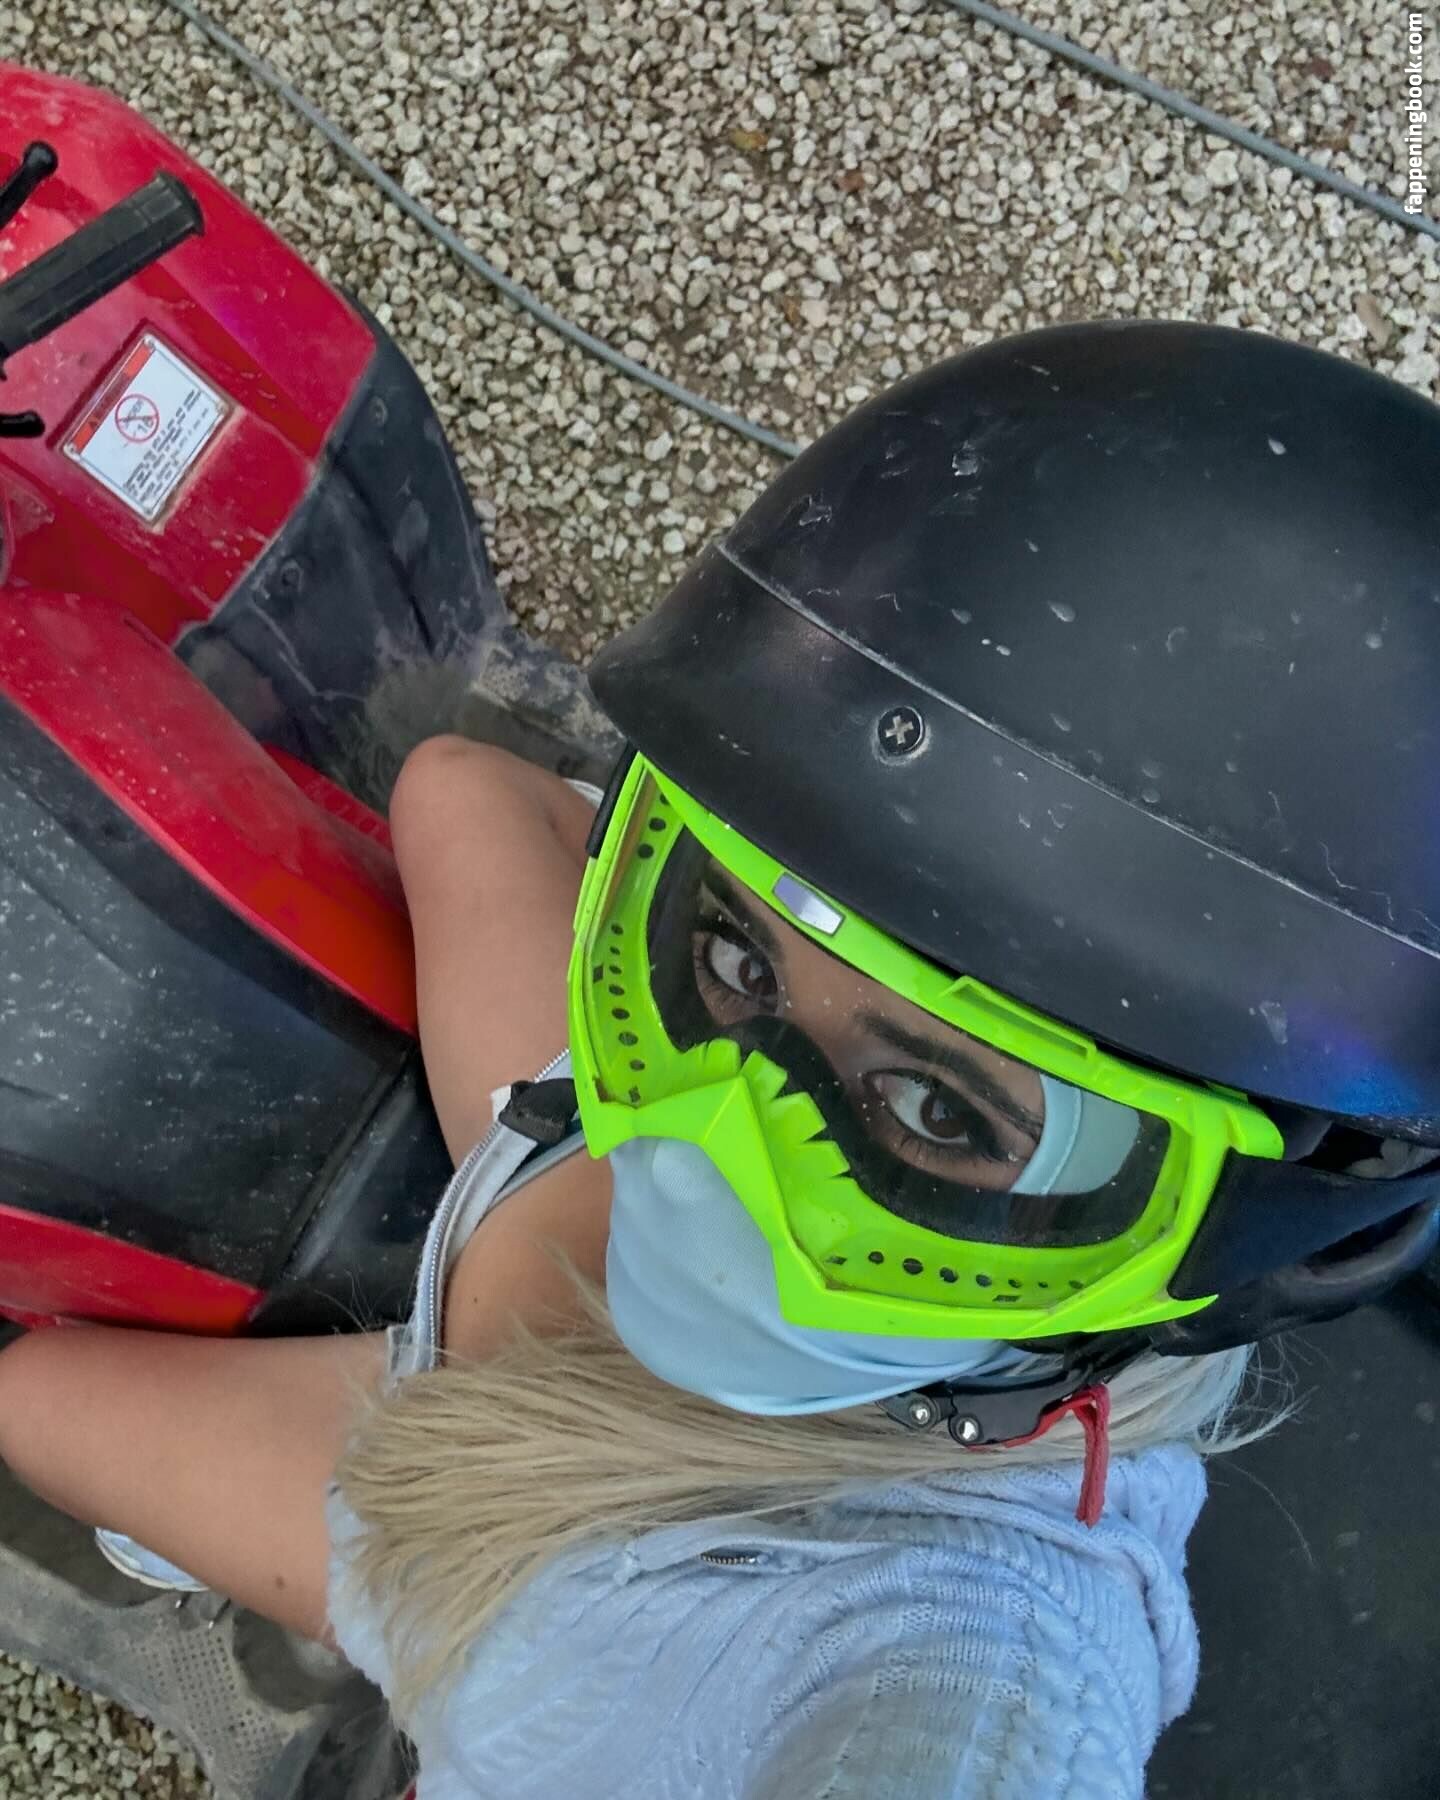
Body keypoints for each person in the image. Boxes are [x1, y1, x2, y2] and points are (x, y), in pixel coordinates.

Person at [2, 319, 1438, 1799]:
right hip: (503, 1371)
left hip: (500, 1568)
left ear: (1284, 1245)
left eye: (937, 1109)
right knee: (457, 789)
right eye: (737, 957)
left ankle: (350, 1646)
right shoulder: (1049, 1162)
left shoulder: (960, 1669)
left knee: (31, 1401)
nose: (691, 1157)